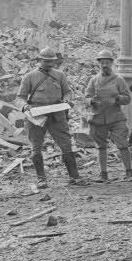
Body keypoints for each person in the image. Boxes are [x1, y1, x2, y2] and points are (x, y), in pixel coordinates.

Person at [17, 47, 82, 189]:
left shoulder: (60, 76)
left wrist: (66, 101)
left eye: (51, 61)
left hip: (57, 114)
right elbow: (20, 98)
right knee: (36, 147)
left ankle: (74, 177)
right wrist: (25, 107)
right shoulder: (29, 76)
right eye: (46, 61)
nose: (49, 64)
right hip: (36, 115)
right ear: (39, 60)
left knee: (66, 145)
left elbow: (68, 92)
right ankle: (41, 179)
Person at [84, 49, 132, 182]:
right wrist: (91, 101)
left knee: (123, 144)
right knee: (101, 146)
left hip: (116, 117)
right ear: (99, 64)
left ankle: (129, 172)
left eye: (107, 62)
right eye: (102, 62)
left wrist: (118, 98)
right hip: (98, 117)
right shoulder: (93, 80)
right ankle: (103, 174)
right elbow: (86, 97)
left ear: (111, 63)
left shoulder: (119, 80)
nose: (105, 65)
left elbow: (127, 98)